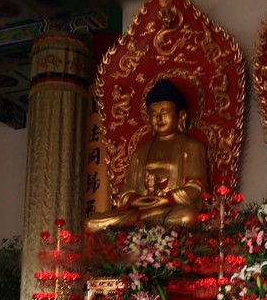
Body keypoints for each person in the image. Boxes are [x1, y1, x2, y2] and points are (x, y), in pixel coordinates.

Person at [86, 79, 208, 231]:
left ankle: (142, 222)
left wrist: (163, 200)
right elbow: (126, 194)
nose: (159, 118)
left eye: (165, 112)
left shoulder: (192, 147)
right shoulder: (140, 153)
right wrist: (139, 201)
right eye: (153, 113)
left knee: (188, 216)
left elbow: (196, 188)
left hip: (170, 210)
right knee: (91, 223)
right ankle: (143, 221)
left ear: (181, 116)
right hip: (141, 211)